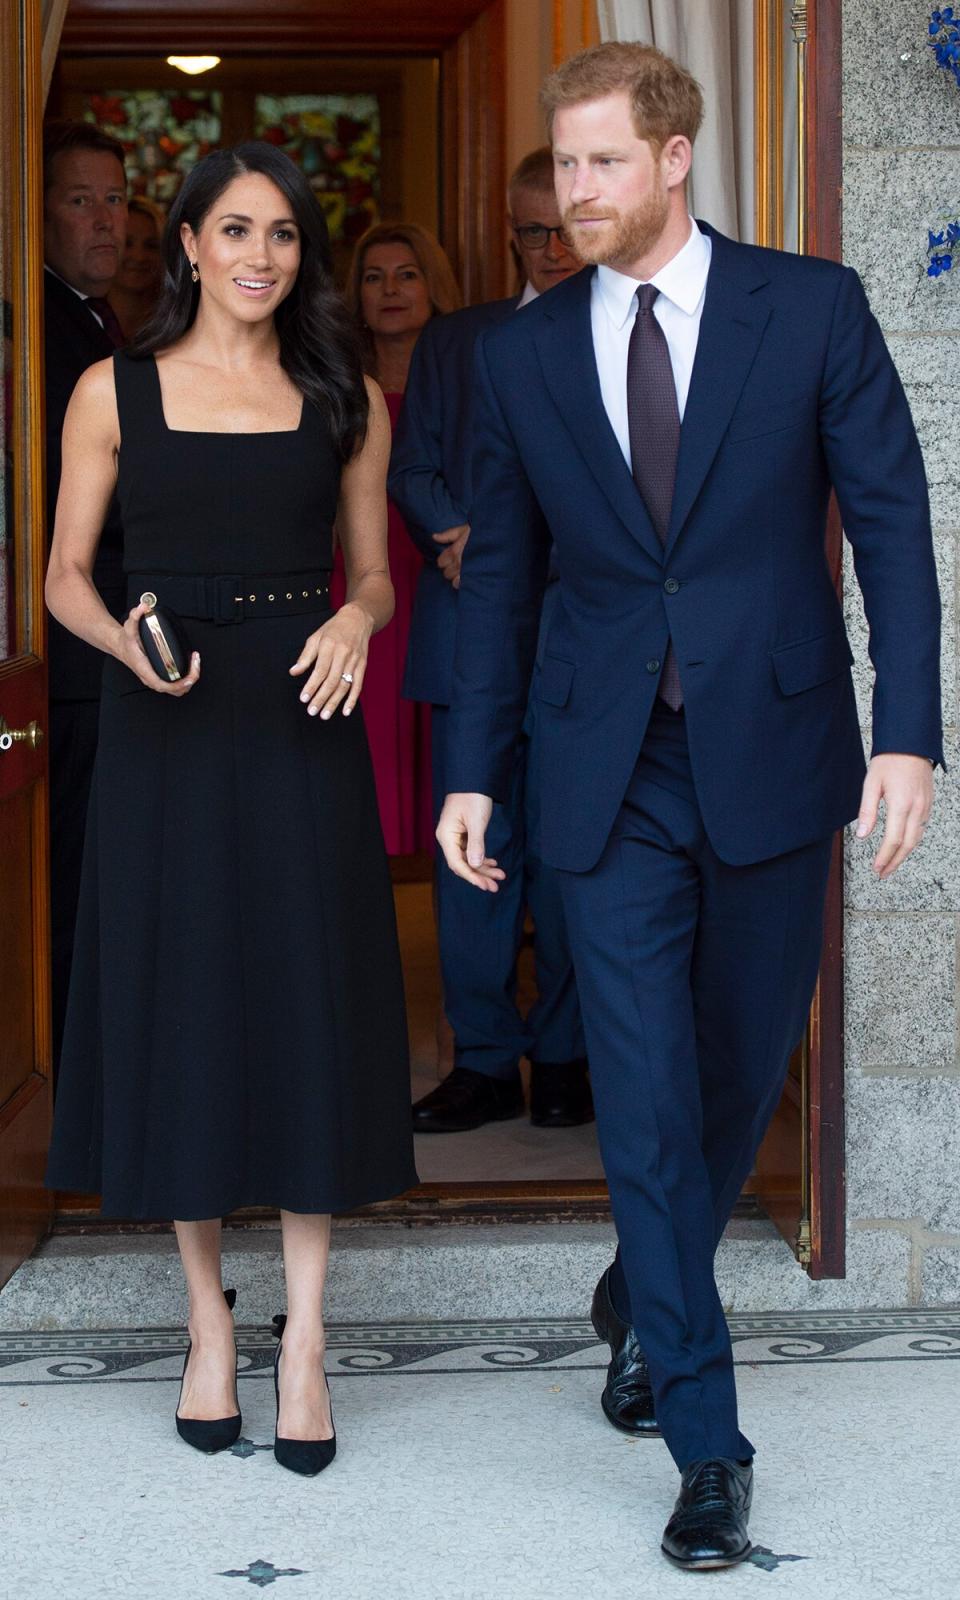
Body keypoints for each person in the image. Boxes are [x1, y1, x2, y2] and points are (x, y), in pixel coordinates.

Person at [437, 43, 941, 1570]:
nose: (573, 192)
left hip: (779, 755)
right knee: (647, 1091)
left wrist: (907, 737)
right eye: (561, 162)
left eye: (600, 162)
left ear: (674, 157)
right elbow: (506, 574)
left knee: (733, 1071)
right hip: (608, 768)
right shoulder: (523, 355)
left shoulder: (812, 308)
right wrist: (473, 766)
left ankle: (640, 1289)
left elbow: (896, 525)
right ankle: (707, 1441)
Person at [44, 142, 417, 1475]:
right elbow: (64, 578)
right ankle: (209, 1319)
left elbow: (373, 575)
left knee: (308, 1008)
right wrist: (119, 641)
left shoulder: (345, 399)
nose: (263, 255)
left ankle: (305, 1335)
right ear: (189, 244)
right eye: (236, 230)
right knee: (184, 1008)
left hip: (303, 722)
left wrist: (357, 625)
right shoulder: (112, 390)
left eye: (284, 235)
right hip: (167, 719)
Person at [390, 149, 592, 1133]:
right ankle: (480, 1059)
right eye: (532, 231)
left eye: (566, 227)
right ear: (507, 233)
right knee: (471, 857)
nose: (551, 249)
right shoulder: (455, 341)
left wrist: (526, 552)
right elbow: (413, 462)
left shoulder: (625, 334)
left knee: (568, 854)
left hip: (587, 644)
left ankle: (562, 1057)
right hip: (469, 634)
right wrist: (460, 533)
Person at [42, 120, 128, 1077]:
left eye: (115, 200)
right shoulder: (39, 326)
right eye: (80, 200)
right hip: (65, 650)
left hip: (105, 648)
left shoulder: (106, 318)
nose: (105, 221)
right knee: (72, 877)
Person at [332, 222, 460, 855]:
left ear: (433, 286)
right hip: (358, 574)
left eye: (406, 275)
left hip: (442, 570)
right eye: (373, 277)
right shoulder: (331, 384)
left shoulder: (469, 373)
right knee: (370, 732)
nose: (389, 290)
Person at [108, 195, 165, 341]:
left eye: (151, 245)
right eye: (127, 244)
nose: (139, 257)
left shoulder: (175, 324)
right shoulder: (81, 318)